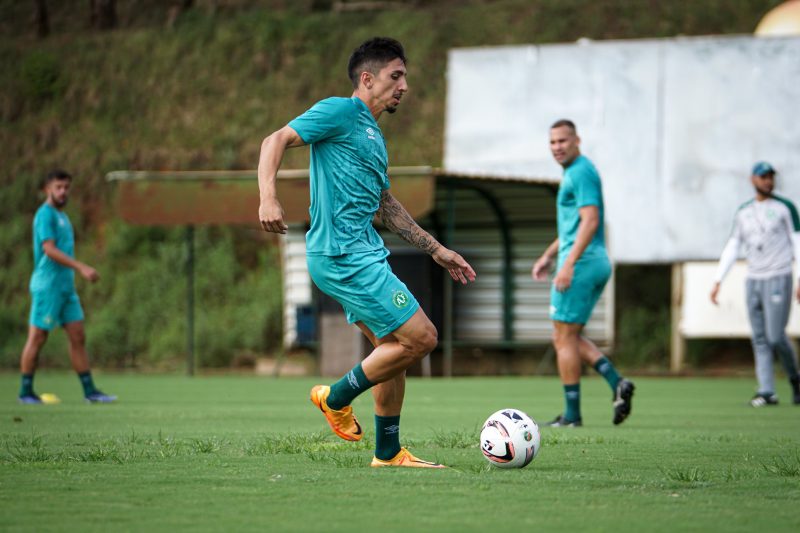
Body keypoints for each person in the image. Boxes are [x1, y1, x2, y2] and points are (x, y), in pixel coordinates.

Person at [258, 37, 476, 467]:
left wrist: (436, 250)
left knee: (392, 351)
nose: (405, 86)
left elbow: (385, 205)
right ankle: (334, 398)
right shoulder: (340, 112)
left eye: (405, 77)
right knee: (423, 337)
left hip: (365, 255)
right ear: (367, 78)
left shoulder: (373, 135)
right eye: (397, 76)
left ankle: (388, 453)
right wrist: (268, 197)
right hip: (342, 256)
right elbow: (274, 140)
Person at [532, 120, 634, 427]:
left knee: (563, 338)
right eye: (552, 142)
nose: (557, 147)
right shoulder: (574, 172)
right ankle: (617, 383)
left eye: (563, 141)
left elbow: (590, 222)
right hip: (589, 260)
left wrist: (568, 264)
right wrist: (549, 255)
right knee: (567, 336)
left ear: (577, 140)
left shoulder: (581, 171)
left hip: (583, 262)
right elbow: (572, 228)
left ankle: (573, 415)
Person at [18, 170, 116, 404]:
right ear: (47, 189)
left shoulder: (63, 216)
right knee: (38, 336)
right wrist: (81, 267)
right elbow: (49, 250)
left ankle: (90, 391)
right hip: (47, 286)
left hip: (65, 288)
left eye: (66, 187)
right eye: (58, 187)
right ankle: (25, 392)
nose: (63, 192)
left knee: (77, 335)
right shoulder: (45, 215)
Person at [710, 161, 800, 407]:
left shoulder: (785, 208)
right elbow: (733, 246)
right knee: (759, 338)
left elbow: (797, 243)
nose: (768, 181)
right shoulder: (744, 212)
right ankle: (767, 391)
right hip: (754, 278)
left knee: (775, 335)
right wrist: (718, 279)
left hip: (778, 276)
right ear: (753, 180)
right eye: (763, 177)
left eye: (770, 177)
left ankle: (795, 377)